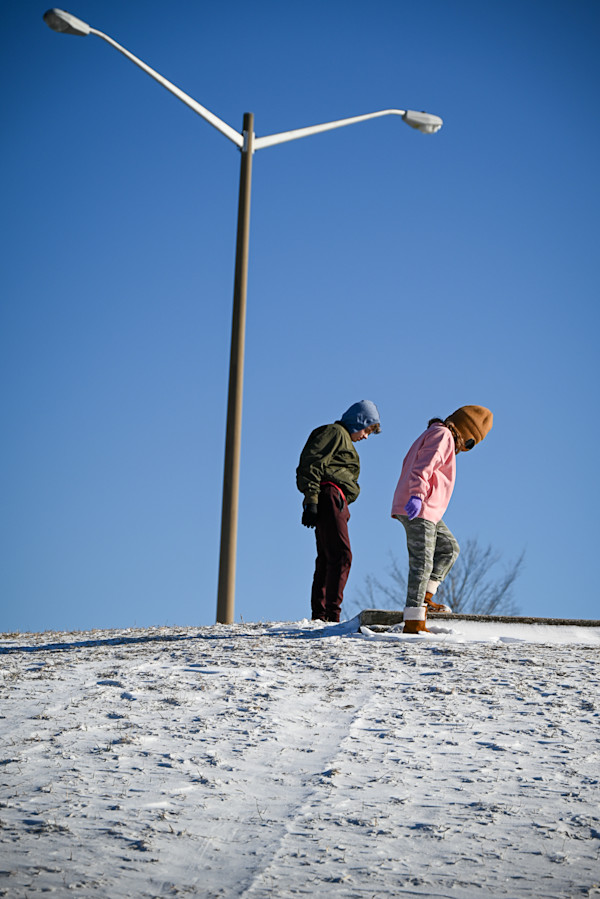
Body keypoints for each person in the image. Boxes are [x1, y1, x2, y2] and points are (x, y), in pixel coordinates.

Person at [391, 405, 493, 634]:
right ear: (464, 433)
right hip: (419, 505)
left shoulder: (435, 433)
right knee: (422, 561)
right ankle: (414, 621)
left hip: (428, 508)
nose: (463, 450)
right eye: (468, 444)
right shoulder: (443, 435)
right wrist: (417, 495)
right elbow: (422, 466)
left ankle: (425, 599)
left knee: (449, 548)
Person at [296, 400, 381, 622]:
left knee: (328, 557)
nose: (365, 437)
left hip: (335, 500)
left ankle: (321, 616)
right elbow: (311, 463)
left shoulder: (342, 438)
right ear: (359, 421)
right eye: (367, 430)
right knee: (341, 555)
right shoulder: (335, 432)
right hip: (330, 496)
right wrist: (311, 499)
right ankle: (331, 616)